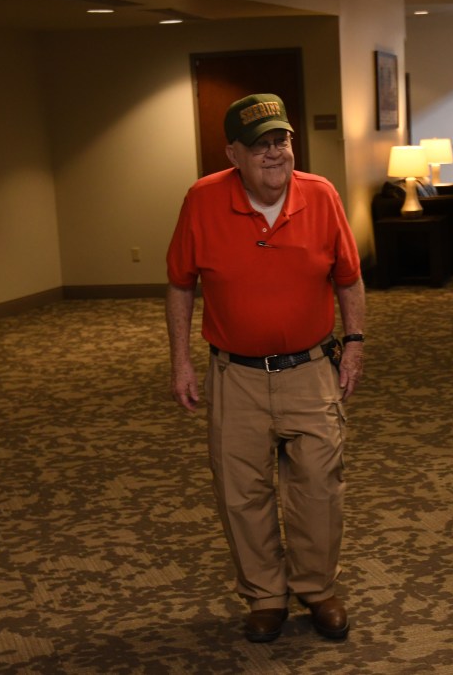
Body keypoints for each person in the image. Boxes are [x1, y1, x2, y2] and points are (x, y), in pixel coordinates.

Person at [165, 93, 366, 644]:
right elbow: (181, 284)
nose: (275, 153)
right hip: (236, 376)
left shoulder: (321, 195)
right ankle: (265, 596)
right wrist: (180, 361)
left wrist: (354, 344)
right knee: (241, 493)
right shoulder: (202, 200)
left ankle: (317, 588)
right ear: (233, 153)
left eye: (282, 141)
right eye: (260, 146)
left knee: (319, 488)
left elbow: (348, 277)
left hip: (310, 370)